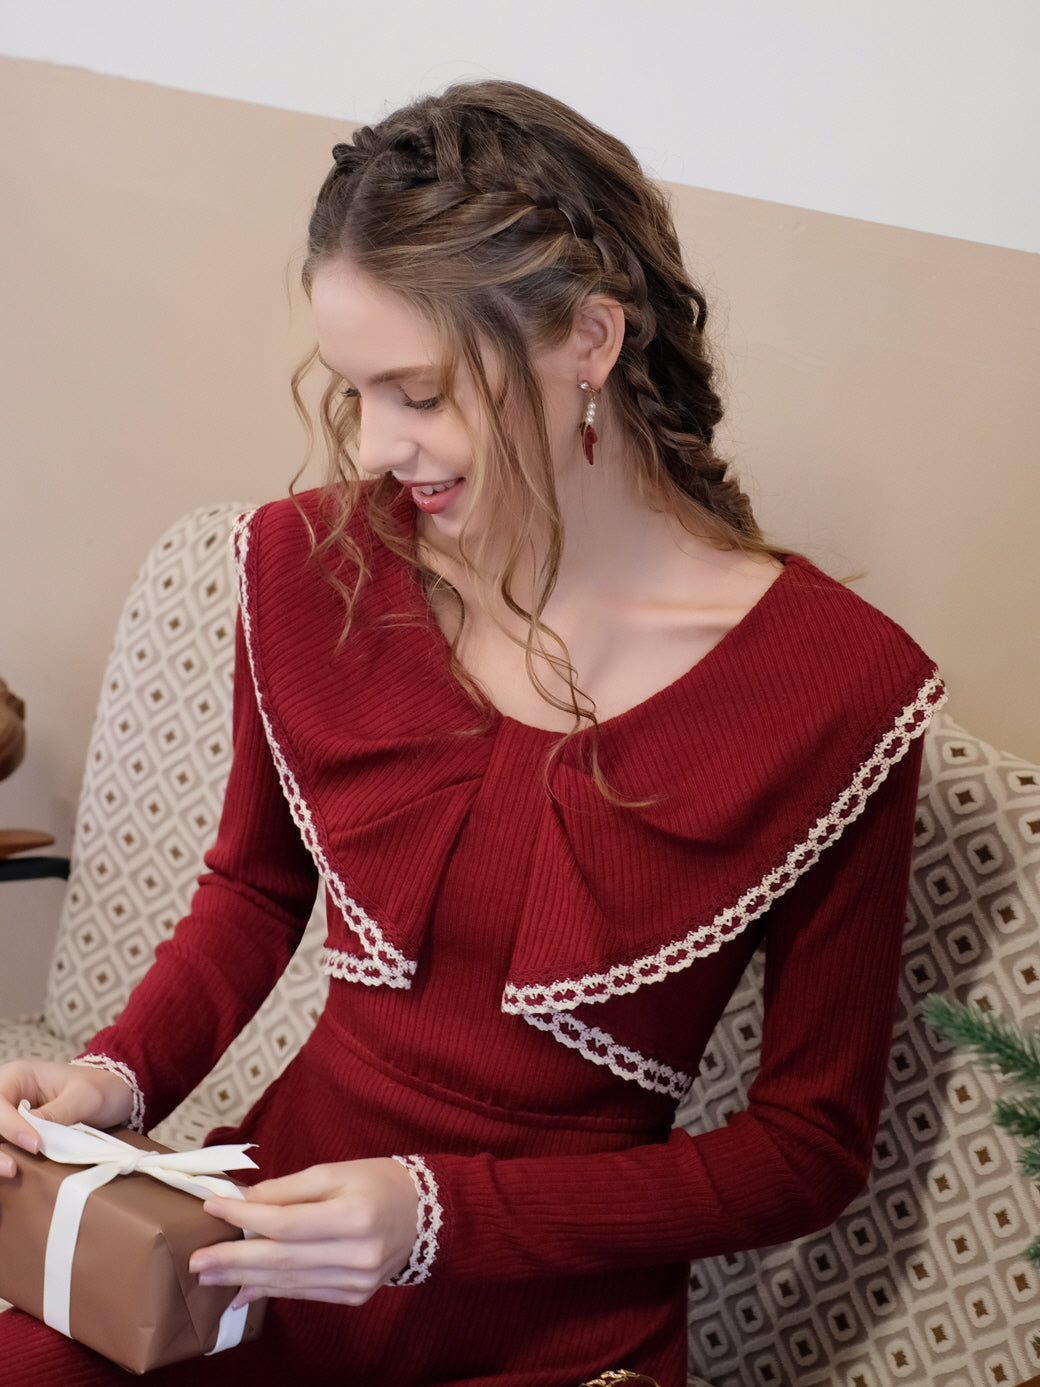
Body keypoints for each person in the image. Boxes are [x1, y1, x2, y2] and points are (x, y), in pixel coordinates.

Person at [0, 81, 943, 1386]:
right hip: (269, 1255)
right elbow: (255, 891)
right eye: (357, 392)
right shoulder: (312, 569)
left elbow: (808, 1147)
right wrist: (114, 1080)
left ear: (590, 341)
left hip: (555, 1327)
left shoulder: (838, 693)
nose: (380, 447)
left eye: (421, 393)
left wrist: (446, 1219)